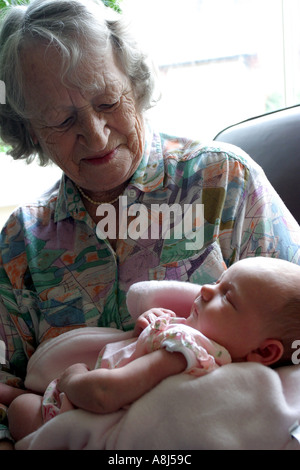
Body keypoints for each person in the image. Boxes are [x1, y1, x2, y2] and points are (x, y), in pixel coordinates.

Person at [0, 0, 299, 449]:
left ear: (134, 84)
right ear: (30, 130)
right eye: (62, 119)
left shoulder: (225, 182)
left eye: (107, 101)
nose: (97, 134)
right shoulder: (20, 242)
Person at [6, 256, 300, 443]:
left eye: (228, 297)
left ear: (264, 353)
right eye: (217, 281)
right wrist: (145, 329)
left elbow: (105, 394)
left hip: (75, 404)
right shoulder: (198, 344)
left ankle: (15, 397)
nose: (206, 289)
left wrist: (72, 376)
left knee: (22, 409)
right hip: (79, 389)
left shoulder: (184, 351)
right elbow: (137, 353)